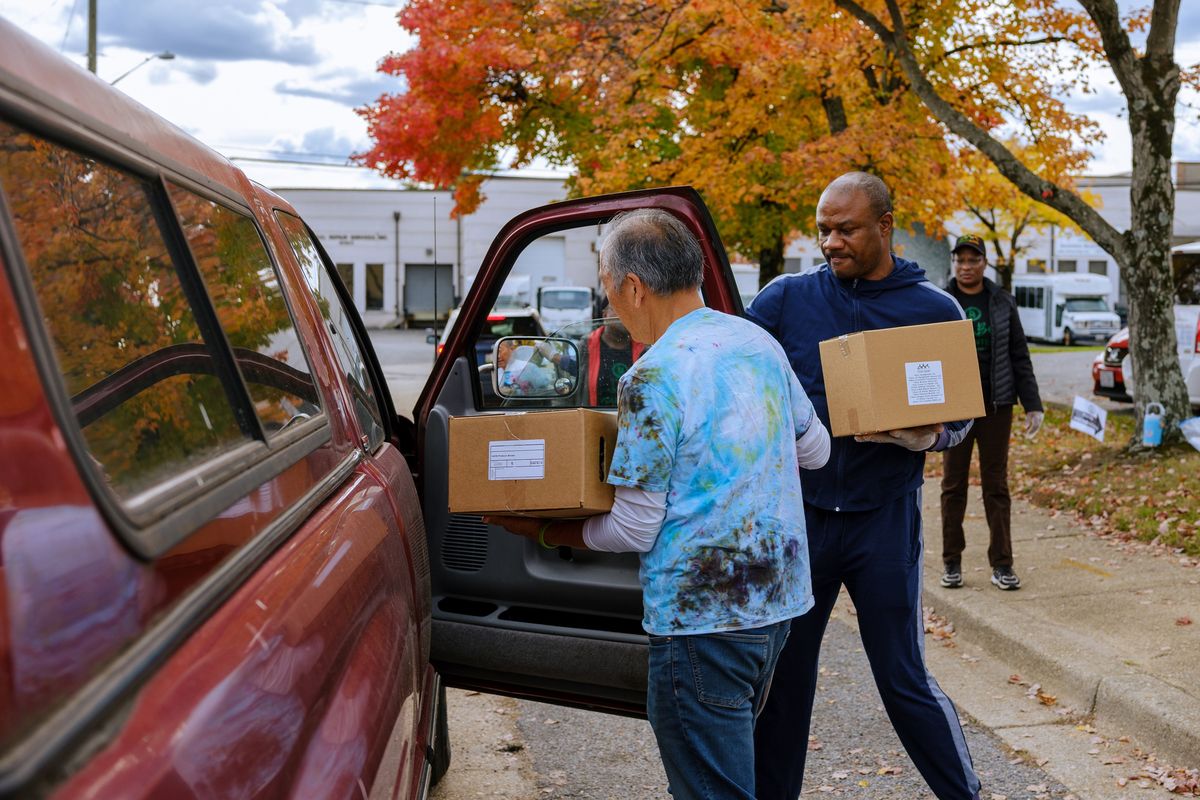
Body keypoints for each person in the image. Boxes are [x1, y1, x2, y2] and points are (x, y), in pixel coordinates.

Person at [486, 208, 831, 799]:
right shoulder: (757, 343)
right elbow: (817, 450)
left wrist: (544, 532)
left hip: (701, 622)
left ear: (635, 287)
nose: (608, 301)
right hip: (778, 605)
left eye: (606, 286)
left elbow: (634, 527)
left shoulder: (651, 378)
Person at [748, 172, 982, 800]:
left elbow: (960, 419)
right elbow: (740, 384)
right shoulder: (783, 302)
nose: (831, 242)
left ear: (884, 225)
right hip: (803, 520)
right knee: (785, 680)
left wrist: (925, 438)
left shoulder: (934, 309)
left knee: (904, 677)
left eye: (846, 229)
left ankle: (965, 795)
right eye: (823, 229)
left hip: (885, 519)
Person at [940, 234, 1044, 591]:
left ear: (985, 263)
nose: (966, 267)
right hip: (955, 406)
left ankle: (1002, 563)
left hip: (997, 405)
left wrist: (1033, 404)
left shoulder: (1002, 302)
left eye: (974, 260)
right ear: (954, 263)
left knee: (995, 485)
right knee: (953, 485)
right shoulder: (941, 300)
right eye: (961, 261)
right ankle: (951, 561)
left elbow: (1020, 354)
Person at [581, 299, 644, 406]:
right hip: (593, 420)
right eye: (618, 307)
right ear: (605, 314)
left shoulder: (645, 351)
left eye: (630, 309)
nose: (625, 313)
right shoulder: (585, 347)